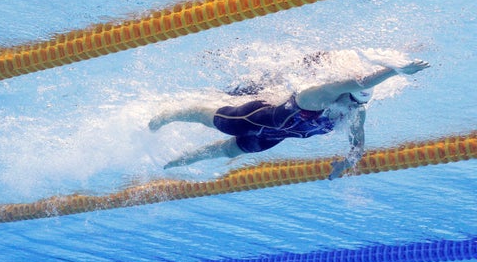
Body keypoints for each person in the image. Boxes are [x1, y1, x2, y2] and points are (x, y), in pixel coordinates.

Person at [149, 56, 430, 179]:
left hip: (271, 138)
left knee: (226, 152)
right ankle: (170, 114)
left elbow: (358, 145)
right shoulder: (318, 96)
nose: (353, 105)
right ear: (346, 93)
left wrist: (344, 165)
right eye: (352, 98)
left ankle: (179, 162)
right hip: (254, 118)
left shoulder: (354, 113)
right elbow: (357, 82)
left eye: (358, 102)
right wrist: (397, 70)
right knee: (212, 119)